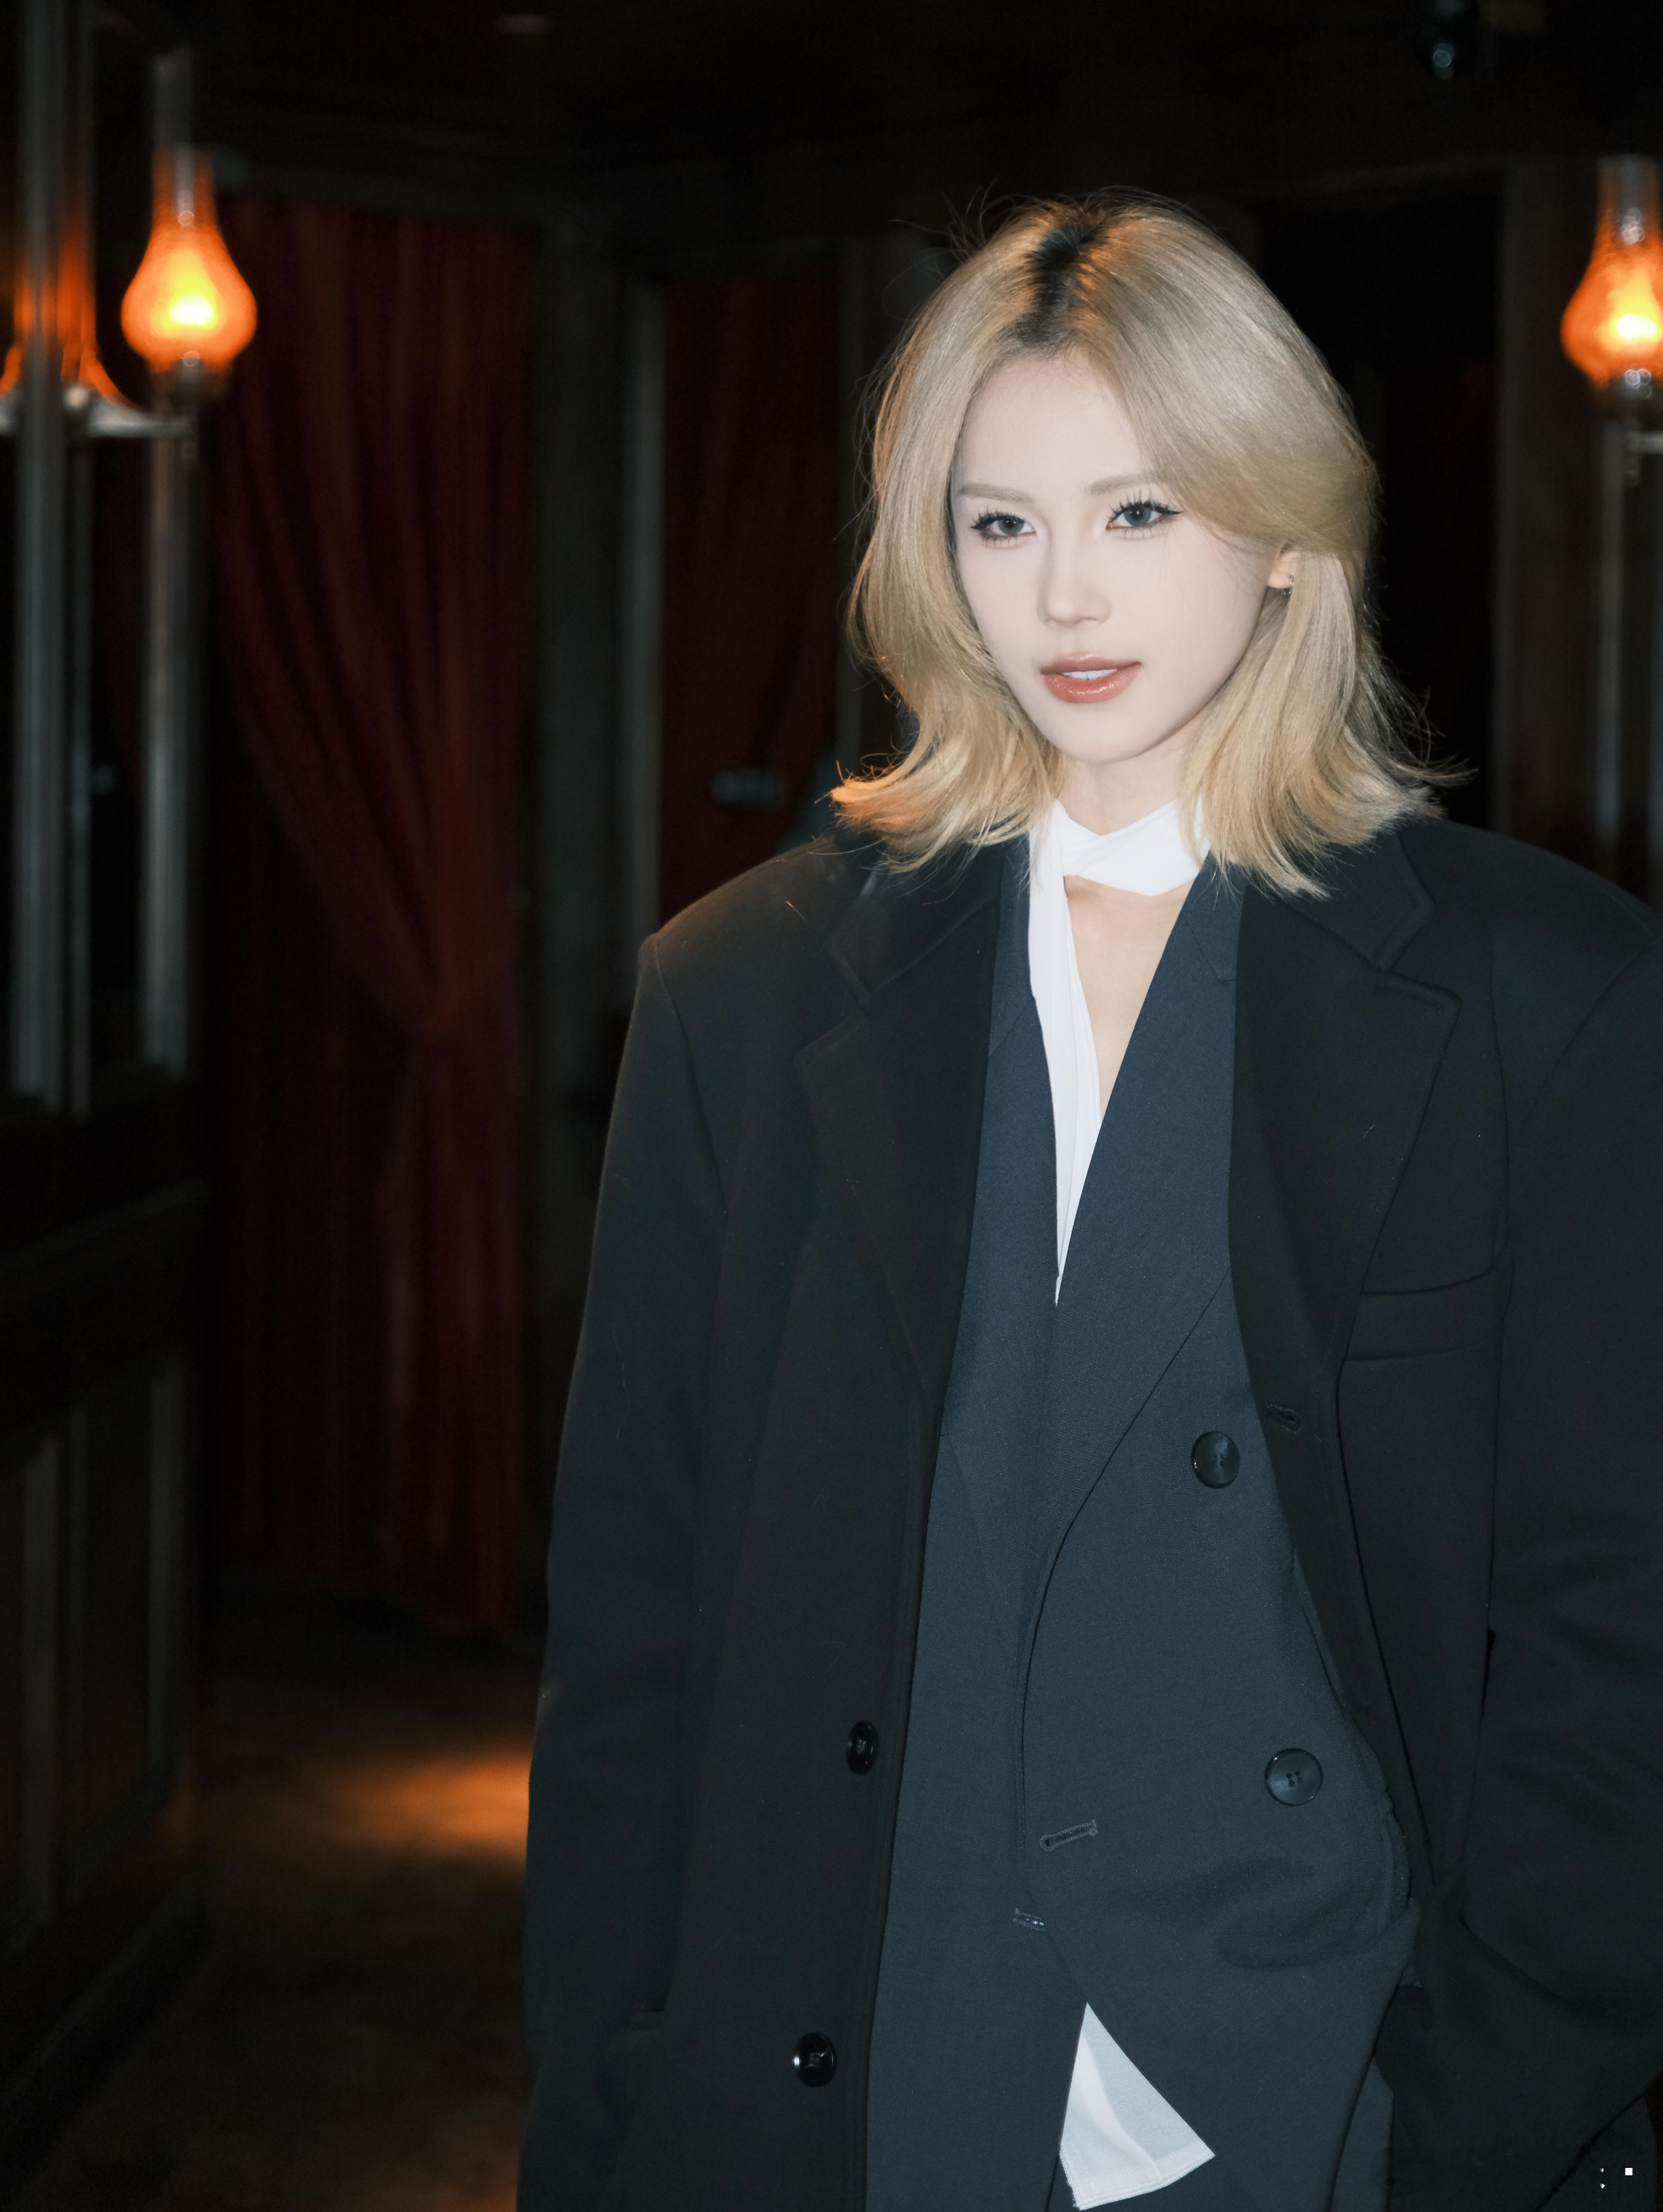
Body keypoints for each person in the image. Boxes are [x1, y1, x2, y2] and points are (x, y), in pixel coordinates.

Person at [519, 195, 1663, 2212]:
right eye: (999, 523)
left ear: (1285, 531)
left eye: (1140, 512)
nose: (1064, 594)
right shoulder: (741, 989)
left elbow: (1614, 1646)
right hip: (852, 2075)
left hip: (1319, 2086)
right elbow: (637, 1634)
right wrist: (610, 2119)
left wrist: (1464, 2125)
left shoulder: (1545, 997)